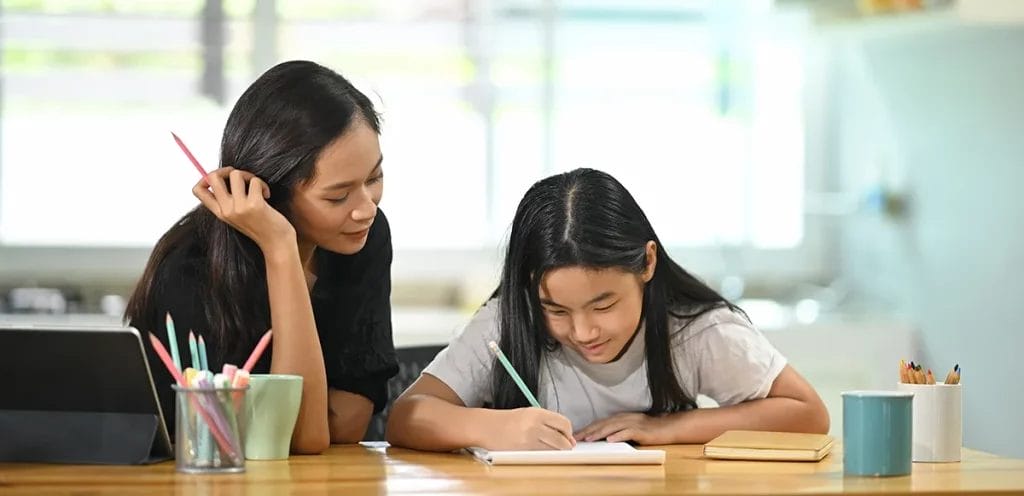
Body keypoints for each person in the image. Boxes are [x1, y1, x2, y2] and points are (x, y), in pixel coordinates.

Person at [386, 168, 828, 451]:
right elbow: (406, 416)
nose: (583, 331)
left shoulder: (693, 330)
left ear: (647, 263)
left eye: (604, 304)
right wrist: (491, 428)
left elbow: (808, 414)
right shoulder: (506, 322)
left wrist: (667, 429)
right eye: (555, 310)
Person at [126, 60, 397, 453]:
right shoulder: (191, 271)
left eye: (374, 178)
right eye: (337, 196)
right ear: (271, 192)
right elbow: (302, 436)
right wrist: (281, 249)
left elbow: (349, 423)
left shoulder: (363, 237)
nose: (366, 208)